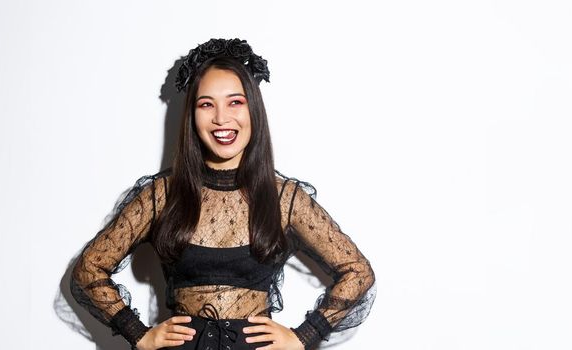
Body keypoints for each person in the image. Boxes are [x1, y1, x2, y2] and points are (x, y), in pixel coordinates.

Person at [69, 38, 376, 350]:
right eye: (206, 104)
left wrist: (304, 335)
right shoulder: (161, 195)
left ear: (253, 110)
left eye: (235, 102)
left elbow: (357, 273)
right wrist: (138, 333)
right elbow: (89, 268)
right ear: (192, 115)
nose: (221, 118)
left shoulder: (285, 198)